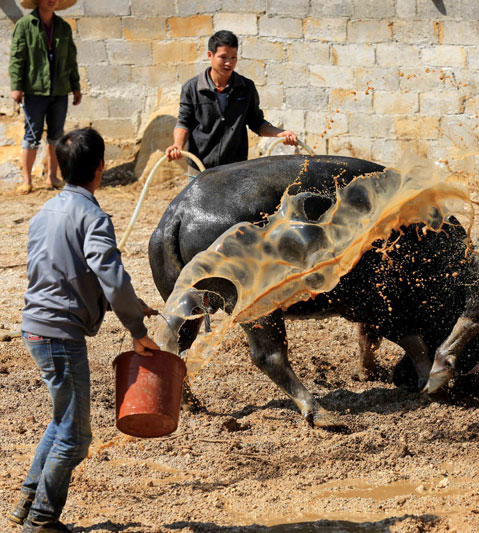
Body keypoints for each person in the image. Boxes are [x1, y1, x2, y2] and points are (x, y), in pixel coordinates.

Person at [8, 127, 160, 533]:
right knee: (76, 437)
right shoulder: (93, 216)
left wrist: (123, 303)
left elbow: (66, 273)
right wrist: (136, 327)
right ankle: (42, 519)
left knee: (62, 421)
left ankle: (26, 502)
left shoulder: (45, 212)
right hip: (60, 335)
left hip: (36, 327)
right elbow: (110, 275)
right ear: (101, 169)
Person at [165, 30, 298, 176]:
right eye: (223, 57)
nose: (229, 63)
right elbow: (184, 122)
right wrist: (178, 145)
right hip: (199, 168)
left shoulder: (246, 87)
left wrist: (279, 133)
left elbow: (256, 122)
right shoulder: (192, 88)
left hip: (235, 169)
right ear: (210, 55)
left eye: (233, 57)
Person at [9, 0, 82, 195]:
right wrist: (16, 87)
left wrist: (75, 87)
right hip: (35, 91)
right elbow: (17, 57)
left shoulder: (63, 27)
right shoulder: (25, 25)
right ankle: (27, 180)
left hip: (59, 90)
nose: (52, 0)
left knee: (56, 136)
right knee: (31, 136)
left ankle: (52, 177)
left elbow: (70, 60)